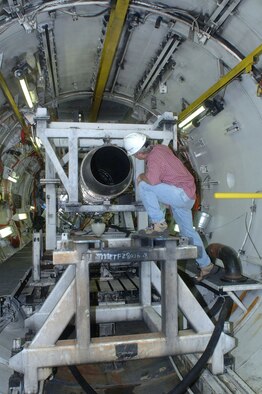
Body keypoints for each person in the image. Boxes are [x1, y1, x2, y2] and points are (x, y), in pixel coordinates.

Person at [123, 132, 218, 281]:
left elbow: (152, 182)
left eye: (135, 155)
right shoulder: (160, 148)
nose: (136, 157)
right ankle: (206, 265)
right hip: (186, 195)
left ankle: (158, 223)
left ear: (140, 153)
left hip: (181, 194)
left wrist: (141, 176)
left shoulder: (153, 159)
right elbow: (164, 173)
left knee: (143, 185)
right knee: (188, 233)